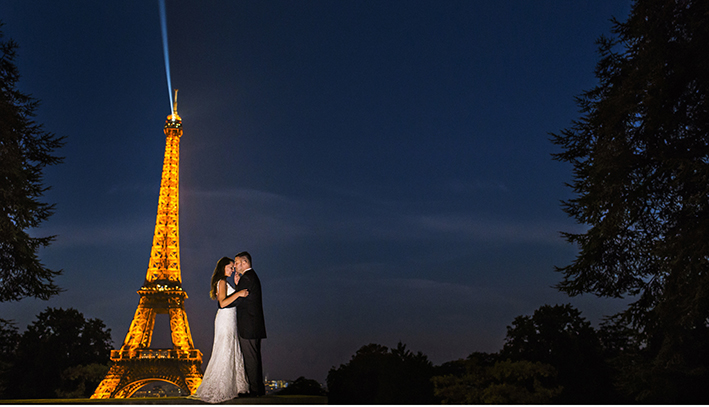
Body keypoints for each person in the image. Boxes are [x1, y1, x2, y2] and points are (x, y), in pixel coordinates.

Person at [192, 257, 250, 403]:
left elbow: (230, 301)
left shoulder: (224, 282)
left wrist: (236, 287)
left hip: (228, 320)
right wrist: (238, 293)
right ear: (223, 267)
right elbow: (223, 303)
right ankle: (223, 388)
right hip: (225, 320)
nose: (233, 269)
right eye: (231, 267)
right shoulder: (222, 282)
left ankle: (229, 386)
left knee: (228, 349)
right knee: (225, 349)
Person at [230, 251, 267, 397]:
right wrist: (238, 286)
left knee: (250, 358)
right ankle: (257, 389)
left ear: (245, 263)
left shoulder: (247, 278)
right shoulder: (251, 277)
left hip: (248, 326)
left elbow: (238, 300)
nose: (235, 266)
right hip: (254, 325)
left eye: (237, 263)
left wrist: (223, 304)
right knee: (254, 357)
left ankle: (255, 391)